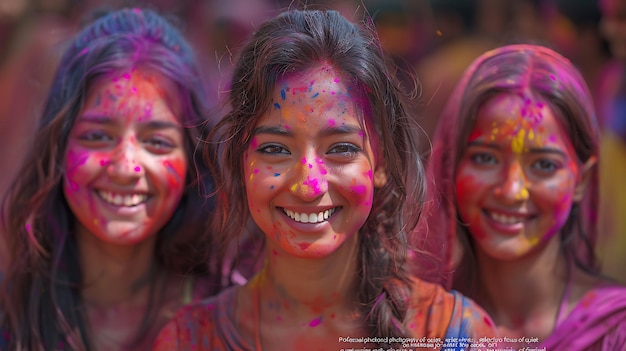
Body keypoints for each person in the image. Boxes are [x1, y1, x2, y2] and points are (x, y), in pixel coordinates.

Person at [153, 9, 496, 351]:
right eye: (276, 149)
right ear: (241, 162)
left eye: (341, 148)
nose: (309, 185)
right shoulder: (189, 341)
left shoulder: (456, 335)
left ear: (382, 162)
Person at [0, 7, 228, 350]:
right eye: (98, 137)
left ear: (193, 160)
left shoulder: (231, 321)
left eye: (157, 142)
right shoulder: (12, 315)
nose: (126, 167)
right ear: (57, 149)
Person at [425, 43, 626, 350]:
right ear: (451, 166)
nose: (511, 190)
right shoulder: (413, 321)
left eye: (544, 165)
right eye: (486, 158)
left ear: (582, 180)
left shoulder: (614, 330)